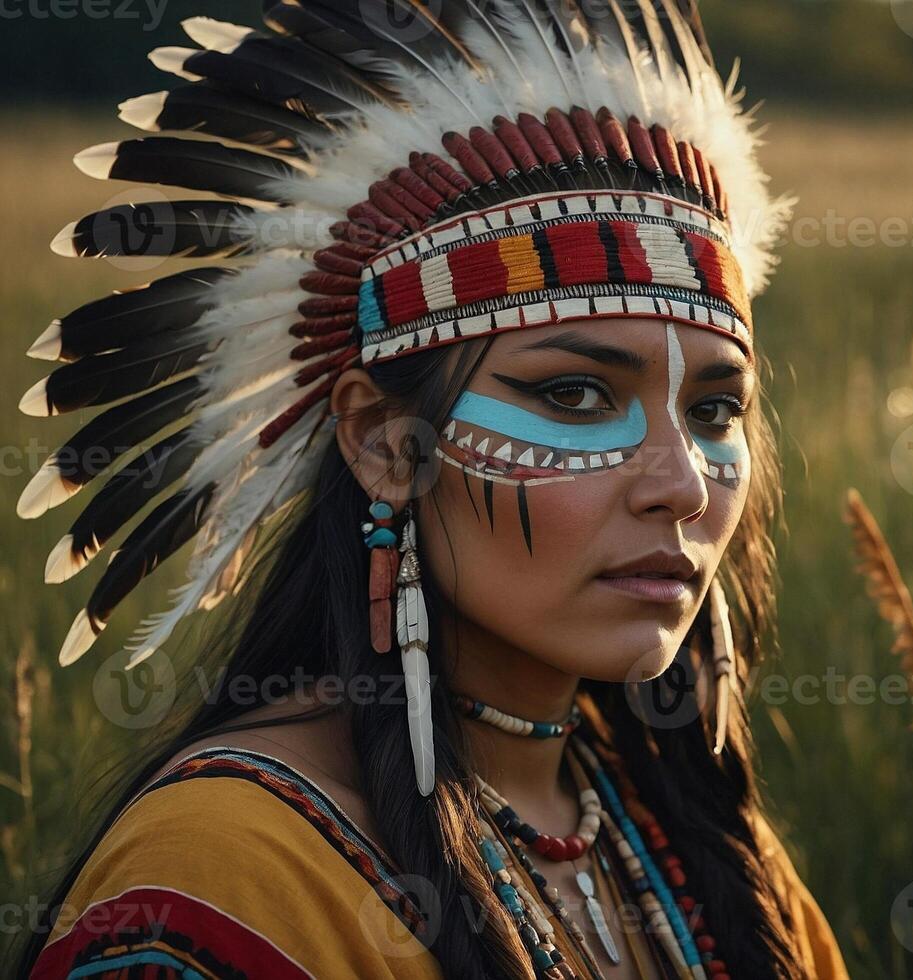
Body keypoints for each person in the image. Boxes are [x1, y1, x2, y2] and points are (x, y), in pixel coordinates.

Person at [16, 2, 845, 976]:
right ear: (382, 440)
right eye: (575, 395)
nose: (680, 484)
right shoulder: (219, 879)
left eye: (714, 412)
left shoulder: (720, 866)